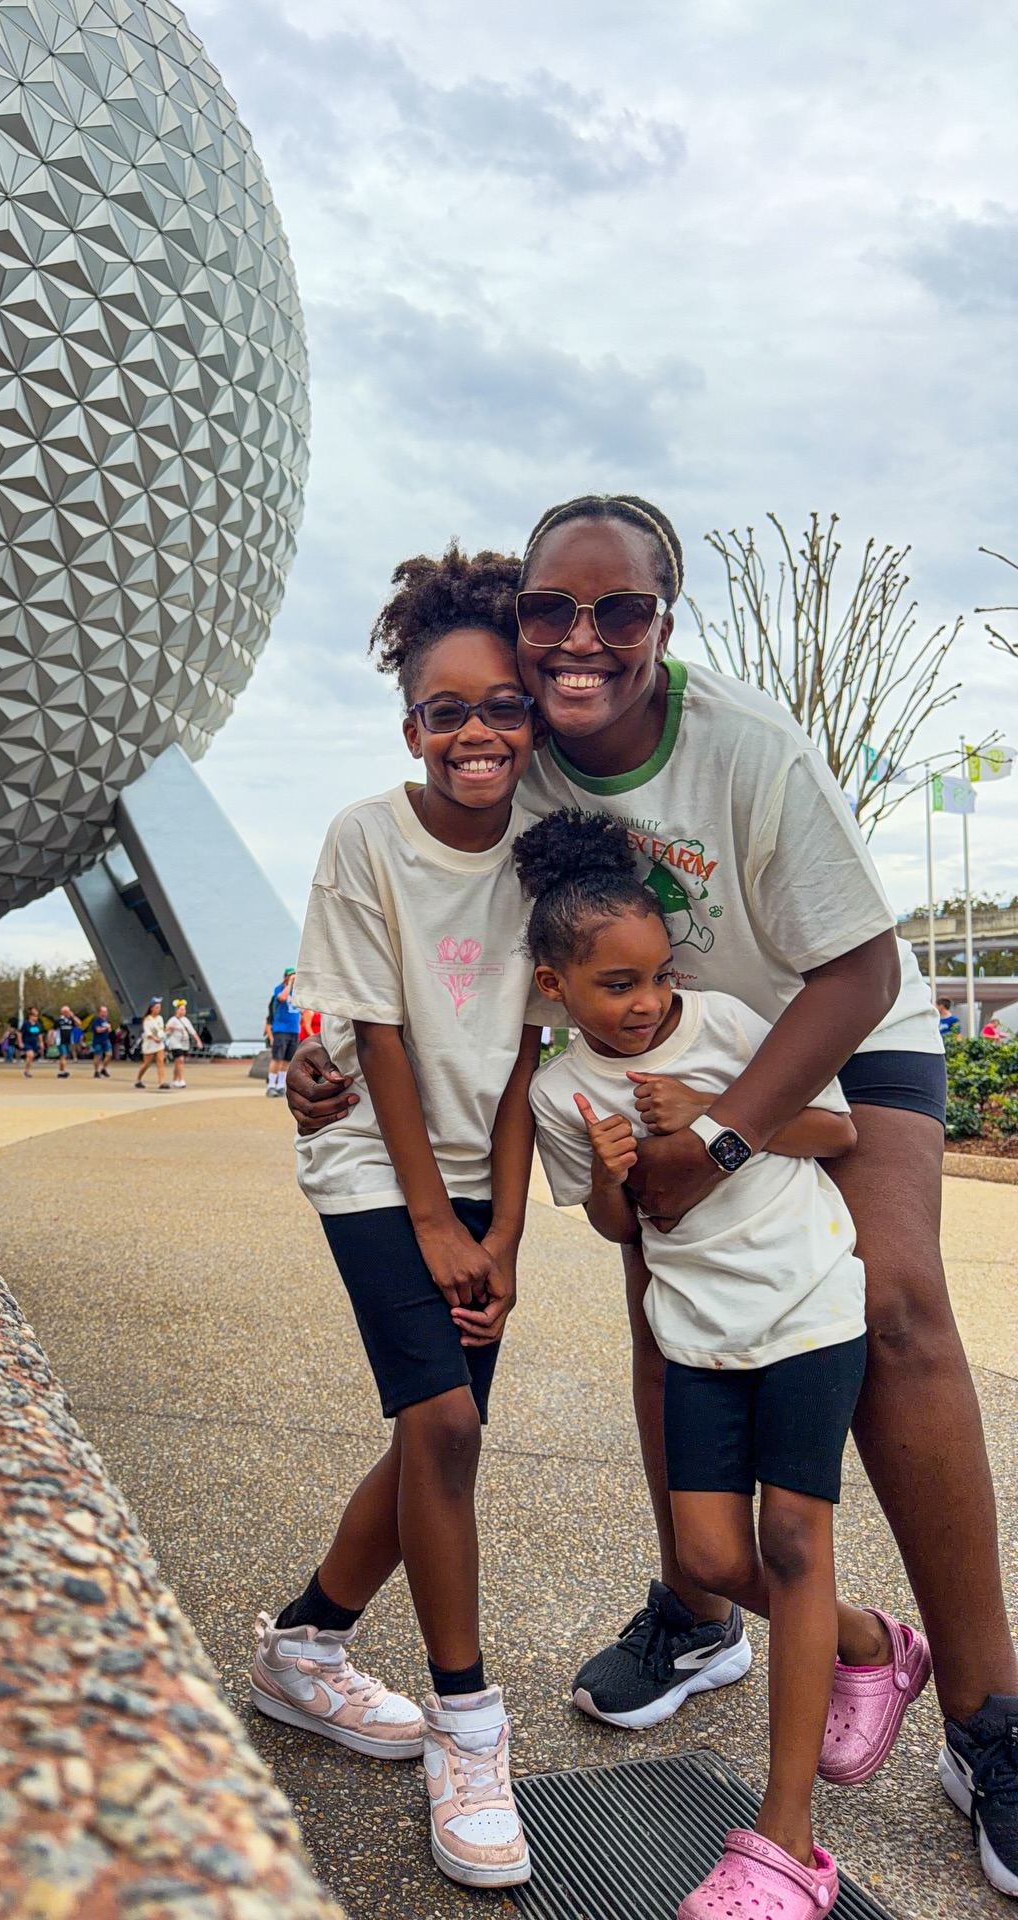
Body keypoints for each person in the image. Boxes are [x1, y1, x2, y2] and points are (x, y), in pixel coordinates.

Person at [286, 501, 1018, 1896]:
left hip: (832, 1024)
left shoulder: (750, 749)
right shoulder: (523, 749)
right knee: (666, 1304)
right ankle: (701, 1610)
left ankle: (990, 1718)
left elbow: (858, 973)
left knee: (897, 1298)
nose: (576, 643)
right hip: (657, 1047)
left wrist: (729, 1140)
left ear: (663, 625)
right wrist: (311, 1062)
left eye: (615, 614)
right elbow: (413, 927)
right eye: (550, 615)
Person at [523, 808, 930, 1912]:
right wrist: (614, 1172)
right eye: (616, 986)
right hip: (696, 1332)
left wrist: (714, 1115)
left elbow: (837, 1132)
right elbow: (618, 1229)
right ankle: (869, 1641)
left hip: (806, 1304)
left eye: (655, 975)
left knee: (795, 1541)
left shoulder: (731, 1024)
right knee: (708, 1558)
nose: (647, 1001)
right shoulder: (560, 1093)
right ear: (554, 985)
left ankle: (785, 1841)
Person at [251, 549, 545, 1893]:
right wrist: (435, 1223)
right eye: (446, 709)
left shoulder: (550, 847)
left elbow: (530, 1061)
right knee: (442, 1426)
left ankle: (305, 1649)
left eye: (500, 705)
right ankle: (468, 1729)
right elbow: (362, 1036)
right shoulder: (367, 839)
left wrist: (509, 1239)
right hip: (376, 1165)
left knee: (445, 1432)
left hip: (486, 1170)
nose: (476, 732)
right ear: (408, 723)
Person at [267, 966, 302, 1097]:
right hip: (281, 1030)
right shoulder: (279, 989)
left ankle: (281, 1085)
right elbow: (282, 998)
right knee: (277, 1058)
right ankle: (271, 1085)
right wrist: (289, 984)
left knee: (287, 1060)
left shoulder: (298, 992)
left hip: (294, 1030)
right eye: (291, 975)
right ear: (286, 976)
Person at [134, 997, 169, 1089]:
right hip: (149, 1044)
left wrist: (163, 1034)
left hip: (159, 1044)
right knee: (147, 1063)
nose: (158, 1010)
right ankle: (138, 1079)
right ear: (152, 1008)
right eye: (156, 1007)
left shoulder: (160, 1018)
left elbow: (161, 1030)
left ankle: (162, 1082)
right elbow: (147, 1032)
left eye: (159, 1008)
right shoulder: (147, 1019)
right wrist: (153, 1037)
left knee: (160, 1062)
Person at [165, 998, 201, 1088]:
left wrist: (198, 1040)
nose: (183, 1011)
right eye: (181, 1009)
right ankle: (181, 1079)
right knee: (180, 1059)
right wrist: (169, 1029)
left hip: (185, 1044)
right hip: (175, 1043)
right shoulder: (172, 1020)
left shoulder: (186, 1020)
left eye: (184, 1009)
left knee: (179, 1062)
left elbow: (192, 1031)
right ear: (177, 1010)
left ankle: (174, 1080)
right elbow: (166, 1030)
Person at [18, 1004, 45, 1078]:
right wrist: (20, 1042)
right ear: (30, 1016)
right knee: (30, 1055)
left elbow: (39, 1034)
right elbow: (20, 1033)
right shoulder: (26, 1024)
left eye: (36, 1016)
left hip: (34, 1043)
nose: (36, 1018)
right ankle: (27, 1071)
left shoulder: (38, 1024)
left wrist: (41, 1043)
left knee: (31, 1057)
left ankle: (27, 1070)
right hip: (27, 1042)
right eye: (34, 1016)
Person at [55, 1004, 79, 1078]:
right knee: (64, 1055)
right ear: (63, 1012)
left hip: (68, 1040)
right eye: (66, 1011)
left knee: (64, 1056)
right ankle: (64, 1071)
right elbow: (54, 1030)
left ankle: (61, 1071)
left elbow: (79, 1023)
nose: (68, 1013)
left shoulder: (70, 1020)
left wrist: (73, 1016)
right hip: (61, 1040)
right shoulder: (59, 1020)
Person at [90, 1006, 113, 1078]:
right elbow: (98, 1030)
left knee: (109, 1054)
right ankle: (96, 1071)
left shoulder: (106, 1020)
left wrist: (109, 1028)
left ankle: (104, 1068)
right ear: (100, 1012)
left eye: (106, 1012)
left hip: (106, 1040)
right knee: (97, 1056)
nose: (105, 1013)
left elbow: (109, 1030)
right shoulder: (96, 1020)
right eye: (103, 1012)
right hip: (97, 1041)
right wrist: (105, 1028)